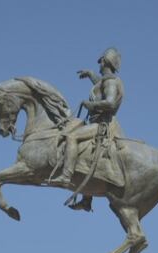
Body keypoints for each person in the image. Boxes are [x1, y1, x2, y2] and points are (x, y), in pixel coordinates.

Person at [49, 48, 124, 190]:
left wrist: (90, 104)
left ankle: (66, 176)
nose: (99, 65)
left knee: (72, 136)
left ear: (105, 62)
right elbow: (100, 84)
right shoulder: (107, 81)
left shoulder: (111, 82)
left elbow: (110, 102)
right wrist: (90, 74)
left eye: (100, 62)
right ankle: (86, 198)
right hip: (99, 122)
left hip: (103, 124)